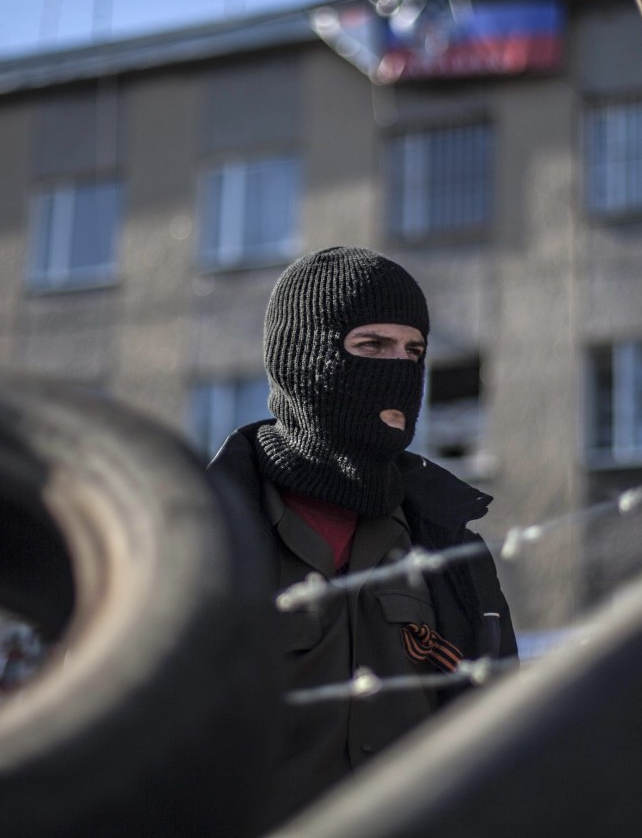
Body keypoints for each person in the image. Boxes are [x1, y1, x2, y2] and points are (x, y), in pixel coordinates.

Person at [206, 245, 516, 821]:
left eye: (414, 351)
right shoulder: (200, 536)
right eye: (372, 346)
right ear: (304, 360)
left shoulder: (449, 548)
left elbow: (500, 745)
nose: (399, 370)